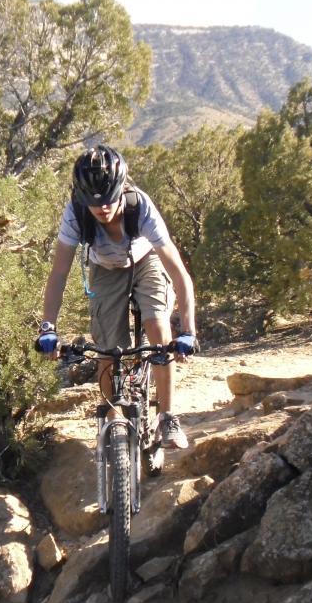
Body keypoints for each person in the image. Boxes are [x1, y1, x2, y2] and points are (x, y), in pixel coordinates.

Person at [36, 144, 197, 449]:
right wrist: (48, 327)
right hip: (105, 269)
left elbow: (179, 274)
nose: (102, 209)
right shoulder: (76, 212)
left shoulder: (141, 208)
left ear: (122, 188)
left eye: (108, 200)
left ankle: (167, 417)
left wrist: (188, 331)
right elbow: (58, 274)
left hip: (145, 260)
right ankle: (112, 419)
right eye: (94, 204)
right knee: (109, 349)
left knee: (158, 327)